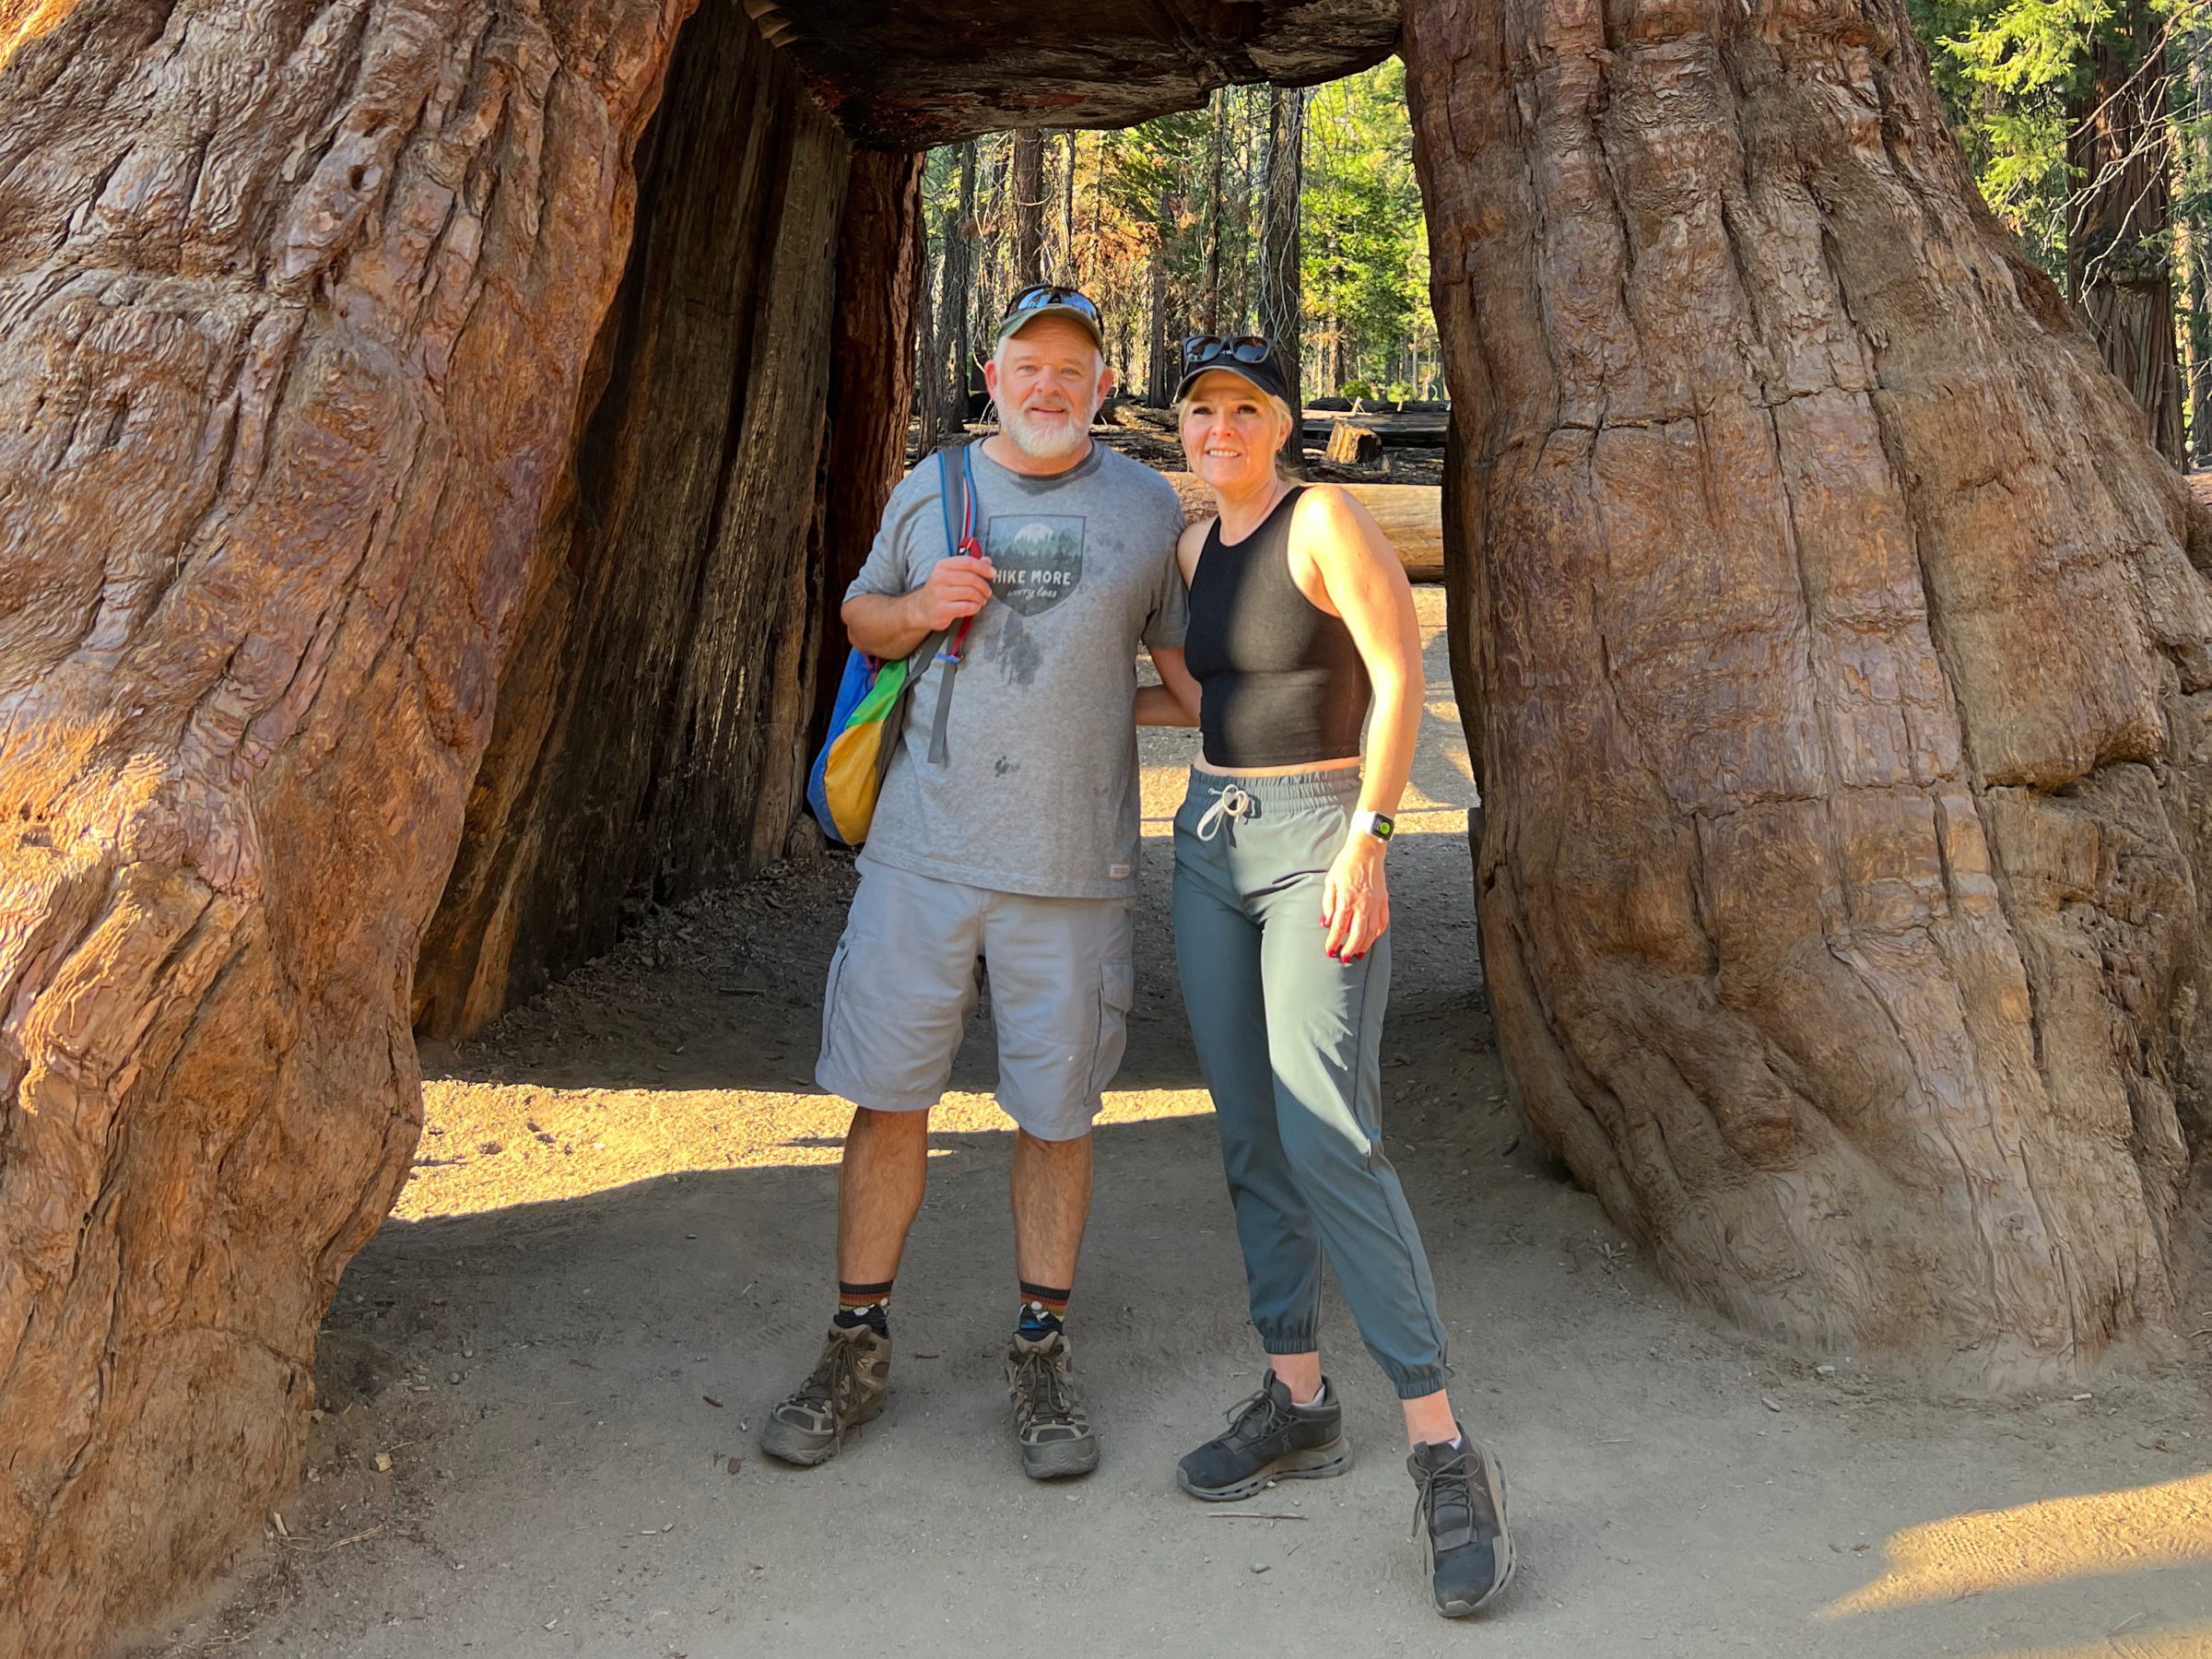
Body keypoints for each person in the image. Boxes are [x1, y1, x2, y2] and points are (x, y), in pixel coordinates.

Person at [759, 286, 1200, 1481]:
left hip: (1075, 869)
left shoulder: (1146, 507)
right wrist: (916, 607)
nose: (1050, 385)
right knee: (888, 1096)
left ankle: (1040, 1348)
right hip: (924, 856)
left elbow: (1183, 682)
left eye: (1074, 369)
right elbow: (861, 617)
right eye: (1029, 364)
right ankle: (856, 1339)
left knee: (1057, 1116)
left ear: (1103, 389)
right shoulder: (931, 489)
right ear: (993, 375)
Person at [1163, 336, 1514, 1617]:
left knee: (1330, 1135)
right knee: (1251, 1132)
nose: (1218, 430)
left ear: (1281, 421)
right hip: (1209, 845)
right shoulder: (1196, 547)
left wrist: (1371, 839)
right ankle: (1299, 1400)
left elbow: (1398, 676)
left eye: (1242, 410)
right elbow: (1200, 683)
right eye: (1199, 411)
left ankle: (1440, 1445)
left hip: (1319, 841)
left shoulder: (1325, 522)